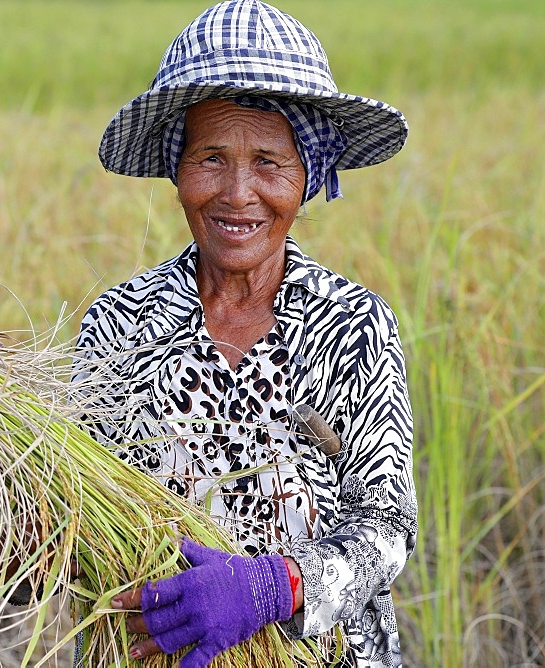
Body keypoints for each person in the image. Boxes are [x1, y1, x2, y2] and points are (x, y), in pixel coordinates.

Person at [72, 1, 418, 666]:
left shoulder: (351, 327)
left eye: (269, 161)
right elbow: (83, 513)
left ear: (308, 177)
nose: (237, 193)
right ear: (176, 171)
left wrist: (270, 587)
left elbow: (386, 531)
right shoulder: (119, 322)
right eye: (210, 157)